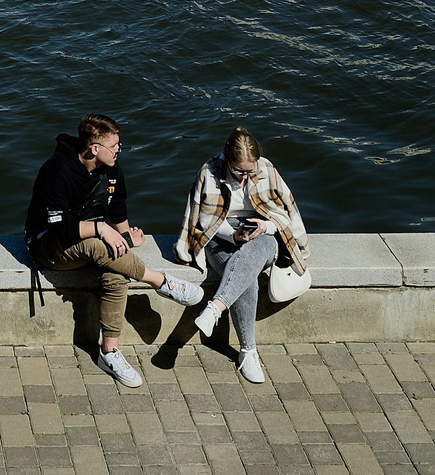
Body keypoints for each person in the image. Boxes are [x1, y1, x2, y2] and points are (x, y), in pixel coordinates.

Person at [26, 115, 205, 388]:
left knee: (116, 273)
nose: (119, 150)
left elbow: (117, 208)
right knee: (99, 244)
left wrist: (125, 235)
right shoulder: (57, 171)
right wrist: (102, 230)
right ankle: (161, 282)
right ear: (94, 148)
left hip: (90, 245)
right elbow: (59, 229)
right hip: (48, 245)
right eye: (114, 145)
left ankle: (108, 352)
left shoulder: (111, 169)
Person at [176, 127, 310, 385]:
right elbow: (204, 221)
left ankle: (215, 307)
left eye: (250, 171)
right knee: (245, 276)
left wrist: (264, 227)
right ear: (227, 161)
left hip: (264, 237)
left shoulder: (266, 170)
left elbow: (284, 214)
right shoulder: (210, 172)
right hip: (221, 237)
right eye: (239, 172)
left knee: (256, 249)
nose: (245, 178)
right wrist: (232, 235)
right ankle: (248, 352)